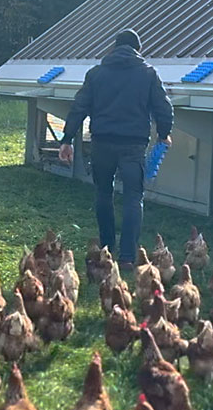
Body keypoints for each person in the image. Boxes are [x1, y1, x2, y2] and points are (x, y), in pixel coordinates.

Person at [58, 29, 173, 271]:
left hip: (102, 142)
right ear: (137, 49)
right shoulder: (148, 73)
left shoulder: (96, 73)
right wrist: (163, 134)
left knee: (103, 193)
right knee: (133, 197)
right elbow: (164, 108)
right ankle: (128, 257)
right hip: (133, 144)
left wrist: (67, 138)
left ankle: (106, 249)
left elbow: (79, 107)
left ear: (114, 47)